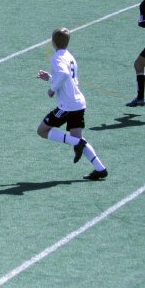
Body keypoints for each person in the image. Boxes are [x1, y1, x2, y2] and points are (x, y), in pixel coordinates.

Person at [36, 27, 108, 180]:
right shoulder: (70, 57)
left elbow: (63, 74)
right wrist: (50, 78)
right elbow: (68, 80)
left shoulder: (57, 58)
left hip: (67, 106)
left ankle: (77, 144)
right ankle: (100, 169)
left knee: (42, 131)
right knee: (77, 138)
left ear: (53, 42)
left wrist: (52, 89)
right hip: (78, 103)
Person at [126, 0, 145, 106]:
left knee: (138, 64)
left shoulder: (144, 5)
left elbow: (142, 23)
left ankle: (140, 98)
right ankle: (140, 98)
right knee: (139, 64)